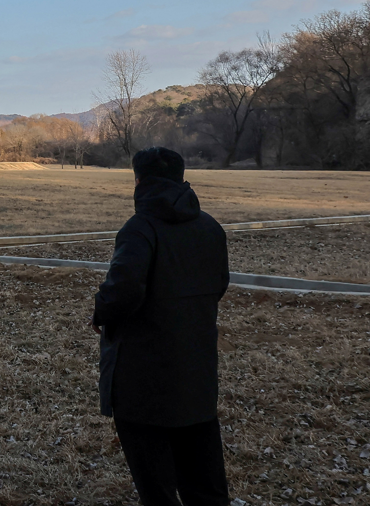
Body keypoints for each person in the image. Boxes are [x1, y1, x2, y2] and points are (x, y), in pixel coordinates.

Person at [90, 147, 231, 506]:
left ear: (138, 180)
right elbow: (220, 285)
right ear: (183, 180)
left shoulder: (139, 229)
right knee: (206, 485)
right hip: (198, 377)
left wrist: (100, 313)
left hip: (142, 384)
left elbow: (122, 291)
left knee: (157, 489)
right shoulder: (211, 228)